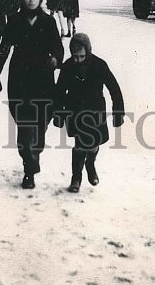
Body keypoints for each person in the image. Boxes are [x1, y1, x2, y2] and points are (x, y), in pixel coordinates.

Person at [0, 0, 63, 189]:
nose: (31, 0)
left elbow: (58, 47)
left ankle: (35, 152)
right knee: (23, 125)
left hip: (42, 79)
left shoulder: (48, 22)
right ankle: (28, 168)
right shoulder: (14, 20)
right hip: (20, 78)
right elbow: (4, 47)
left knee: (41, 123)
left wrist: (56, 60)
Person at [53, 32, 124, 193]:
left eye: (82, 56)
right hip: (75, 109)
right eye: (75, 56)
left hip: (95, 110)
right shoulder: (68, 66)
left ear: (88, 51)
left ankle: (90, 164)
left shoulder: (99, 65)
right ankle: (76, 178)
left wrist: (118, 112)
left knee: (92, 145)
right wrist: (58, 114)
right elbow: (59, 91)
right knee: (79, 145)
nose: (78, 59)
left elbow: (114, 88)